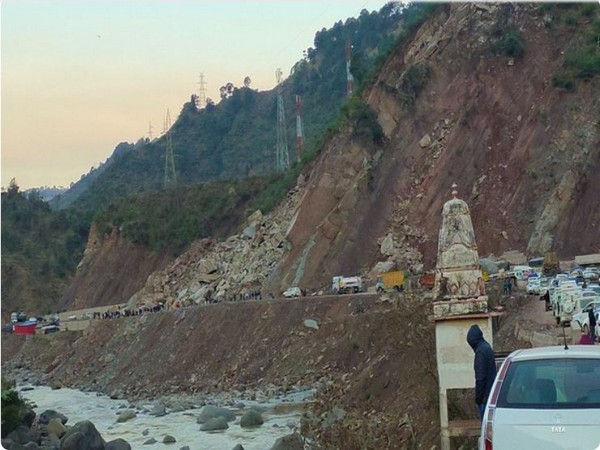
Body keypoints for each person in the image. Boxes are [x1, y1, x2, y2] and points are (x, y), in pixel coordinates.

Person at [467, 324, 497, 420]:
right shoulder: (487, 347)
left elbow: (480, 378)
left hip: (485, 398)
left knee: (485, 428)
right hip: (491, 394)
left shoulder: (480, 352)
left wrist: (478, 399)